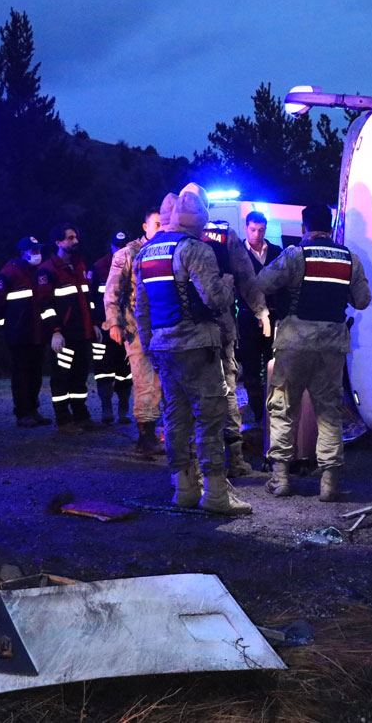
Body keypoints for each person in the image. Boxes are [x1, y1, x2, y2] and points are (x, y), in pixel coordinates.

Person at [135, 188, 250, 514]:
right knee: (210, 419)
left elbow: (142, 309)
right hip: (198, 345)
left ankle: (183, 489)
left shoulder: (147, 253)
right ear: (198, 224)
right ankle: (216, 495)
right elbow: (213, 298)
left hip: (163, 347)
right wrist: (227, 285)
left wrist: (149, 348)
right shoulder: (194, 249)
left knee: (175, 418)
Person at [256, 204, 372, 501]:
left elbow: (263, 283)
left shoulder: (295, 255)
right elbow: (362, 301)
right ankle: (329, 483)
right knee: (329, 410)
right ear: (331, 227)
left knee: (283, 406)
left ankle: (281, 478)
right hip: (332, 344)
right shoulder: (349, 259)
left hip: (294, 341)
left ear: (304, 227)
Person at [200, 215, 269, 478]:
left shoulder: (161, 242)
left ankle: (191, 470)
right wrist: (261, 311)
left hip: (175, 335)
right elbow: (245, 278)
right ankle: (232, 460)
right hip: (218, 328)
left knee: (185, 401)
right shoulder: (222, 236)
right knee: (225, 391)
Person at [104, 206, 164, 457]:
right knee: (144, 382)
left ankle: (157, 432)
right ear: (145, 226)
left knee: (161, 383)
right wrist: (114, 323)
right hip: (136, 328)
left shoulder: (166, 251)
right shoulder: (128, 254)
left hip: (163, 327)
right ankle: (145, 436)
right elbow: (112, 291)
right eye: (157, 224)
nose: (161, 228)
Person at [39, 223, 100, 435]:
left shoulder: (79, 267)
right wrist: (55, 331)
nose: (75, 241)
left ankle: (81, 416)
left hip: (82, 333)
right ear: (58, 242)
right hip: (64, 336)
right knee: (61, 378)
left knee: (79, 376)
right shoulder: (47, 270)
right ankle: (64, 420)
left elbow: (87, 300)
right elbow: (44, 306)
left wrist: (93, 323)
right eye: (70, 238)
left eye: (76, 237)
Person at [0, 236, 52, 428]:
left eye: (38, 250)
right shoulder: (9, 273)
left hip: (37, 332)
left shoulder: (38, 272)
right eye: (33, 251)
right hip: (19, 333)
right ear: (23, 252)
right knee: (21, 374)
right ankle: (22, 413)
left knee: (34, 373)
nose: (38, 254)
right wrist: (7, 326)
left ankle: (33, 410)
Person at [237, 210, 281, 425]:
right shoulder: (237, 254)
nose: (257, 234)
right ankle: (258, 413)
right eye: (253, 230)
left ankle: (274, 410)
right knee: (251, 369)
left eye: (261, 230)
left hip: (273, 317)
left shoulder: (276, 252)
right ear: (246, 228)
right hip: (247, 319)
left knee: (275, 365)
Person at [90, 232, 133, 425]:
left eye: (123, 245)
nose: (120, 249)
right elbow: (90, 300)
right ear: (111, 246)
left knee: (125, 371)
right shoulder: (99, 267)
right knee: (103, 370)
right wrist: (93, 324)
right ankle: (107, 409)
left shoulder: (134, 262)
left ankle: (123, 410)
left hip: (127, 327)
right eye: (117, 246)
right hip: (103, 327)